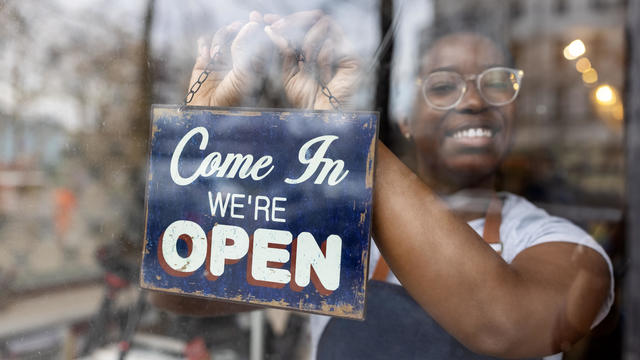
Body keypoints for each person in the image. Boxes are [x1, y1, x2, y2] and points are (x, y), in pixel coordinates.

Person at [152, 10, 614, 359]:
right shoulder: (328, 227)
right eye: (442, 85)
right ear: (406, 119)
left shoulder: (559, 244)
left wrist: (340, 131)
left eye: (496, 84)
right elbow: (175, 285)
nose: (473, 101)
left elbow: (507, 324)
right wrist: (204, 129)